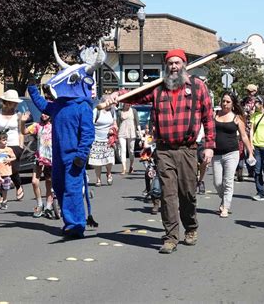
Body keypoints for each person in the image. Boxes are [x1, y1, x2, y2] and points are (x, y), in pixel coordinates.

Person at [110, 48, 215, 254]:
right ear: (166, 66)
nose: (174, 66)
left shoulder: (197, 87)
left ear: (184, 64)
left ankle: (191, 227)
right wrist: (118, 95)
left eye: (177, 63)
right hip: (165, 150)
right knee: (167, 195)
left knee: (187, 194)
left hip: (187, 149)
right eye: (170, 63)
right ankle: (170, 237)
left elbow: (209, 118)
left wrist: (209, 146)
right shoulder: (158, 88)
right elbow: (136, 96)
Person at [213, 91, 253, 218]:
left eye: (228, 102)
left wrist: (250, 152)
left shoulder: (237, 118)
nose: (225, 104)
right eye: (223, 101)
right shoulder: (215, 114)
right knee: (217, 182)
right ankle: (224, 199)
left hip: (232, 153)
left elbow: (244, 136)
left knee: (228, 181)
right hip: (217, 153)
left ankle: (225, 207)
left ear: (232, 104)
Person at [0, 89, 25, 201]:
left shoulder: (18, 114)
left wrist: (21, 145)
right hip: (1, 144)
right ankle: (1, 194)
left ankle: (18, 186)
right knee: (1, 168)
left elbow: (21, 132)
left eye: (16, 103)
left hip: (15, 144)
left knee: (13, 168)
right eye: (13, 102)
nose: (15, 104)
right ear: (6, 102)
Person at [21, 111, 54, 219]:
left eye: (47, 113)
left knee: (49, 182)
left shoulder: (54, 125)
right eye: (43, 113)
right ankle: (40, 204)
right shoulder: (37, 126)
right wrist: (22, 122)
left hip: (51, 158)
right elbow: (24, 131)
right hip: (39, 157)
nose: (44, 115)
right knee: (34, 181)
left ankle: (48, 207)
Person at [88, 95, 117, 186]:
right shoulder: (96, 111)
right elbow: (90, 125)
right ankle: (98, 179)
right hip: (97, 139)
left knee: (109, 160)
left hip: (108, 140)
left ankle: (108, 173)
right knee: (97, 161)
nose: (110, 104)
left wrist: (113, 129)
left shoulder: (112, 111)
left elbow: (115, 124)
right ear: (103, 102)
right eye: (108, 102)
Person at [238, 83, 258, 179]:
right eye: (248, 91)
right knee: (242, 149)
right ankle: (240, 171)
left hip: (254, 128)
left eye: (251, 91)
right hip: (244, 126)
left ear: (255, 91)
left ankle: (252, 169)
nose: (250, 93)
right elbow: (239, 110)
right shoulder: (243, 101)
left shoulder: (258, 102)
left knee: (252, 149)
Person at [0, 130, 16, 210]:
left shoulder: (9, 149)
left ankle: (4, 201)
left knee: (5, 188)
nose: (5, 141)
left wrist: (9, 160)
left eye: (6, 140)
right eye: (3, 140)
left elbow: (14, 157)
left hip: (6, 173)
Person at [117, 103, 140, 175]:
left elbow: (137, 122)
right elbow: (118, 123)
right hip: (122, 131)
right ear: (124, 104)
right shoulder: (119, 112)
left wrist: (140, 132)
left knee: (131, 150)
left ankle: (131, 165)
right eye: (127, 103)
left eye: (130, 104)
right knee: (123, 150)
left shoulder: (133, 111)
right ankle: (124, 168)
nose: (129, 105)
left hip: (131, 132)